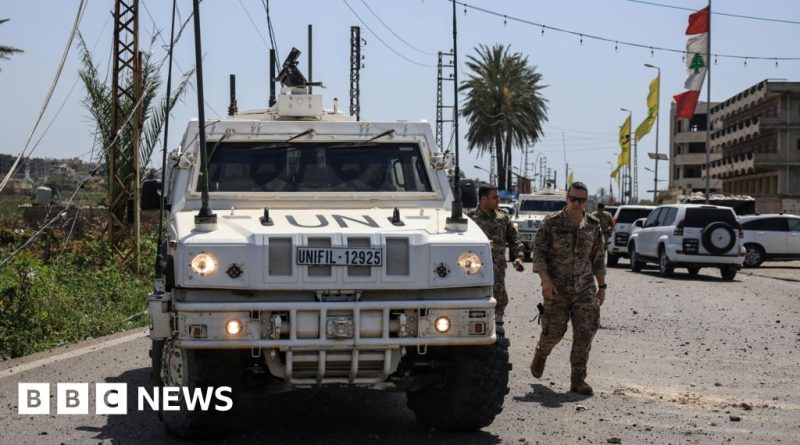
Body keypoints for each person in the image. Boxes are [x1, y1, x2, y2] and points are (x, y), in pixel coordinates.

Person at [529, 181, 606, 395]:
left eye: (581, 200)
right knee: (554, 331)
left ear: (586, 202)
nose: (577, 204)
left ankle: (578, 380)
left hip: (584, 289)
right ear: (567, 199)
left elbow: (598, 258)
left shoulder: (593, 225)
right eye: (573, 199)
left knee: (585, 333)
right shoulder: (551, 223)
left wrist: (602, 286)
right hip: (557, 289)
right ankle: (541, 353)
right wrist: (545, 280)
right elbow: (539, 253)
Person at [466, 185, 525, 336]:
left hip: (497, 266)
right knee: (474, 296)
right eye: (495, 197)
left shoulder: (502, 217)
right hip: (474, 268)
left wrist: (518, 256)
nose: (498, 200)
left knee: (500, 296)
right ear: (483, 198)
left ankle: (498, 324)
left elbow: (514, 238)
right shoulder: (470, 218)